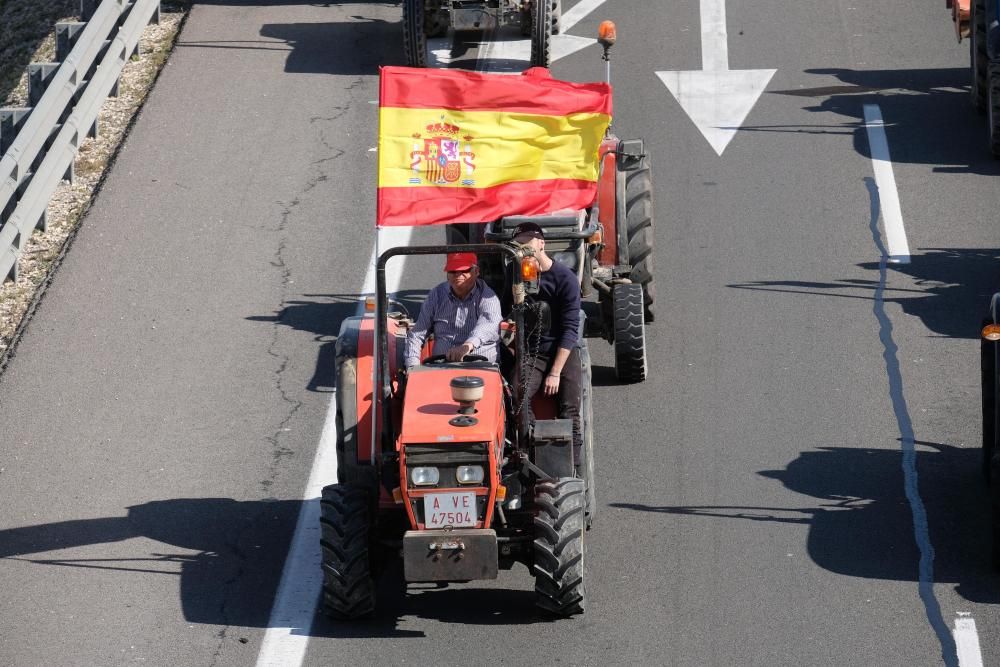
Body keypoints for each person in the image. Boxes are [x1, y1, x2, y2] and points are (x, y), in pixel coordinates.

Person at [511, 221, 583, 471]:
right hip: (532, 351)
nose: (524, 249)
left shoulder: (565, 279)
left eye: (528, 242)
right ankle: (532, 456)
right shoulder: (517, 279)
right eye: (518, 245)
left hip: (561, 351)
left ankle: (573, 470)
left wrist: (555, 372)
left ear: (542, 243)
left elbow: (570, 330)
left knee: (569, 410)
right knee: (517, 395)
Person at [404, 252, 502, 368]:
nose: (458, 275)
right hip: (441, 366)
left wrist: (467, 346)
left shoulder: (488, 297)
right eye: (453, 271)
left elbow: (488, 324)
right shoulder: (436, 295)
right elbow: (416, 335)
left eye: (464, 270)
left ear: (476, 272)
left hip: (481, 367)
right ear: (447, 274)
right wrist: (412, 368)